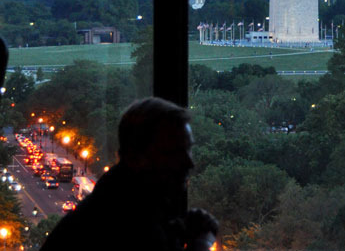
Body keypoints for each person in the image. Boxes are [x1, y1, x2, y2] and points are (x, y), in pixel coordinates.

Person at [41, 97, 218, 251]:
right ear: (135, 157)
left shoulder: (117, 200)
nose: (189, 162)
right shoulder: (125, 222)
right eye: (173, 152)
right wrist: (201, 242)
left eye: (188, 149)